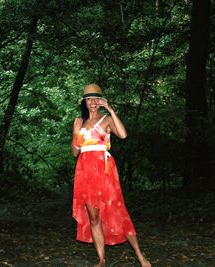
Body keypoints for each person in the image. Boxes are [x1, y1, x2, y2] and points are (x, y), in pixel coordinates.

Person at [71, 84, 151, 267]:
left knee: (118, 211)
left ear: (100, 101)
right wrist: (75, 132)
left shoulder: (105, 119)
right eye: (89, 99)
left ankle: (140, 255)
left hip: (104, 170)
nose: (92, 102)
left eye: (96, 99)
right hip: (84, 172)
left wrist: (110, 109)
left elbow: (122, 134)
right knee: (94, 218)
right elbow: (75, 153)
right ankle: (101, 259)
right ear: (84, 102)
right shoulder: (79, 122)